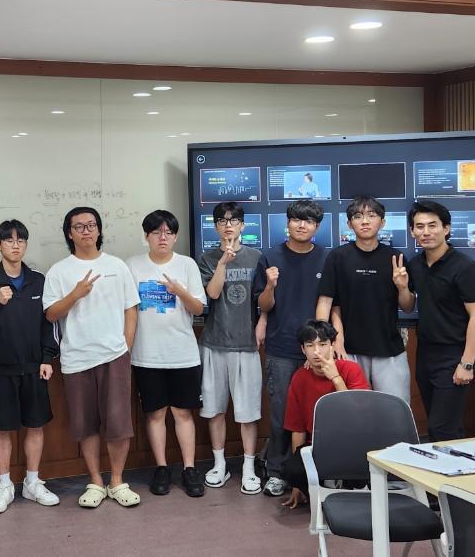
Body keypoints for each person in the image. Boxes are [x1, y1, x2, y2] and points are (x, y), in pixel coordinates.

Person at [43, 207, 141, 508]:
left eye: (91, 225)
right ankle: (96, 482)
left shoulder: (117, 266)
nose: (86, 231)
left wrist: (125, 347)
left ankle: (117, 481)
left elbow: (131, 308)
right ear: (69, 233)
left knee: (119, 423)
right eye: (79, 226)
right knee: (85, 424)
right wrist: (75, 294)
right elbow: (51, 314)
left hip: (114, 355)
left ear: (99, 230)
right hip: (77, 358)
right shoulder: (59, 271)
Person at [0, 220, 60, 514]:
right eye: (9, 241)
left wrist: (47, 357)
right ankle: (4, 485)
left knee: (36, 425)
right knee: (2, 428)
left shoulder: (38, 280)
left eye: (20, 240)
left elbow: (50, 322)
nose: (15, 245)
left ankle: (32, 483)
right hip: (0, 369)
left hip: (35, 367)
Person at [127, 210, 207, 498]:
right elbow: (127, 310)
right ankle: (161, 468)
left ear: (175, 236)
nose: (163, 237)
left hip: (183, 353)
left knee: (183, 413)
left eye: (168, 232)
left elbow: (198, 308)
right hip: (146, 354)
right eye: (156, 232)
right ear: (146, 236)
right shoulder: (132, 265)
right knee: (155, 414)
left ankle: (189, 468)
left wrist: (179, 291)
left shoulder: (186, 265)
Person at [255, 200, 328, 497]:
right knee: (281, 415)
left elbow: (330, 303)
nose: (302, 225)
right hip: (281, 346)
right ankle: (277, 472)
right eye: (296, 219)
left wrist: (321, 347)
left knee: (318, 414)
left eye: (308, 221)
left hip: (316, 349)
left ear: (317, 227)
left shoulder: (326, 258)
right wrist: (270, 285)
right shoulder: (270, 257)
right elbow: (263, 305)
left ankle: (317, 472)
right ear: (287, 223)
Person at [316, 196, 415, 403]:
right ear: (349, 223)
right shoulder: (338, 257)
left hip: (389, 349)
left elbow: (407, 307)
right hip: (348, 351)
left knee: (394, 411)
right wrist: (324, 344)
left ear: (383, 222)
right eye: (358, 216)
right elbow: (326, 302)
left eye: (372, 215)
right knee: (353, 412)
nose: (365, 221)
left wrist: (402, 287)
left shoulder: (395, 258)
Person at [405, 200, 475, 442]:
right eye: (420, 226)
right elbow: (407, 306)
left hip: (454, 355)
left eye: (433, 225)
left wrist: (467, 364)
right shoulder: (416, 264)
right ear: (412, 231)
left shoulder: (465, 267)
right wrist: (401, 287)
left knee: (442, 428)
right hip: (425, 353)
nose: (426, 232)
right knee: (440, 425)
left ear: (446, 228)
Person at [197, 202, 264, 494]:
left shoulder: (256, 257)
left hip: (246, 345)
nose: (228, 225)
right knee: (214, 409)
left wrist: (262, 324)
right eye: (222, 221)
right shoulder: (207, 258)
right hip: (214, 343)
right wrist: (223, 263)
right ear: (215, 226)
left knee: (248, 412)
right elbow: (212, 294)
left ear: (243, 225)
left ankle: (248, 468)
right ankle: (219, 465)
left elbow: (264, 301)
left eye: (234, 220)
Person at [281, 320, 370, 509]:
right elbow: (297, 428)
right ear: (303, 349)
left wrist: (336, 378)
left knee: (359, 473)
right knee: (292, 470)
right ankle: (325, 483)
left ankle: (348, 483)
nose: (317, 352)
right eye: (310, 346)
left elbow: (359, 416)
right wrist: (298, 484)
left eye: (322, 344)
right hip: (317, 445)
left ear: (332, 345)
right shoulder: (299, 377)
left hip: (352, 442)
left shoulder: (351, 369)